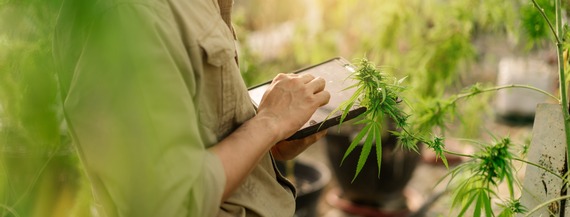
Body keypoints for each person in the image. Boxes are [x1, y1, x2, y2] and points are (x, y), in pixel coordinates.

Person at [54, 0, 330, 216]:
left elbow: (202, 119)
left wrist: (269, 140)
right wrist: (269, 122)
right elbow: (167, 203)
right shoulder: (130, 14)